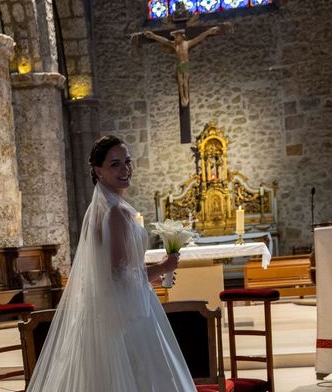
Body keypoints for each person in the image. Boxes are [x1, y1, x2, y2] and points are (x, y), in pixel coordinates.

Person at [27, 136, 196, 391]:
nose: (125, 169)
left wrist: (151, 276)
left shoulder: (106, 207)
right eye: (115, 164)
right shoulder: (115, 212)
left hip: (112, 309)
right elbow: (120, 275)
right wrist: (164, 265)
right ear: (99, 171)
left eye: (127, 161)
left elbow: (114, 272)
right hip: (125, 318)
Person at [143, 26, 219, 108]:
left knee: (185, 82)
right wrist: (153, 36)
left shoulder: (187, 44)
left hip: (185, 64)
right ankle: (182, 98)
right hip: (179, 65)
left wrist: (208, 32)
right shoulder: (175, 45)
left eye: (176, 36)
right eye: (175, 36)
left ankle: (186, 97)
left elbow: (199, 38)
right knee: (180, 82)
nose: (175, 38)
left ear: (182, 36)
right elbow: (164, 40)